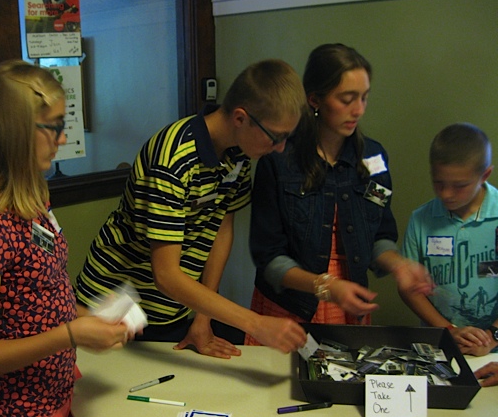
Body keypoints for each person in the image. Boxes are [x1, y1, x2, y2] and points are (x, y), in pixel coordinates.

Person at [0, 60, 129, 417]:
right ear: (14, 133)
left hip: (56, 389)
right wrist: (71, 333)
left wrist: (88, 316)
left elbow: (39, 294)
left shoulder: (32, 197)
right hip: (21, 415)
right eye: (53, 127)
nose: (62, 138)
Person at [75, 59, 309, 358]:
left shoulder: (238, 154)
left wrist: (203, 318)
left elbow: (221, 230)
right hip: (115, 303)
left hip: (174, 306)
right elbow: (166, 275)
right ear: (240, 118)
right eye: (276, 136)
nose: (280, 148)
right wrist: (256, 323)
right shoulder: (172, 160)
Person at [246, 44, 433, 345]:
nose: (358, 110)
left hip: (348, 301)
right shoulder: (280, 159)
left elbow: (379, 236)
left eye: (364, 97)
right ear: (314, 100)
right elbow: (268, 258)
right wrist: (326, 286)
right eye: (347, 99)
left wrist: (399, 265)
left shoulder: (373, 158)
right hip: (291, 305)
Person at [401, 123, 498, 356]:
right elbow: (409, 287)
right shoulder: (421, 219)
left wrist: (492, 337)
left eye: (459, 186)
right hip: (440, 346)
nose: (446, 194)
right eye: (439, 183)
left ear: (484, 175)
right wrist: (449, 331)